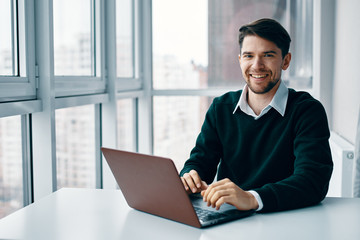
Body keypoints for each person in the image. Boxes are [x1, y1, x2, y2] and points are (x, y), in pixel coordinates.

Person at [180, 18, 333, 213]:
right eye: (248, 56)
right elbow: (200, 162)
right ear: (240, 60)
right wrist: (189, 176)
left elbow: (313, 181)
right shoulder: (221, 108)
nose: (256, 65)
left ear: (285, 61)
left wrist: (252, 198)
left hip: (287, 218)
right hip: (229, 218)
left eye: (268, 55)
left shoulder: (307, 111)